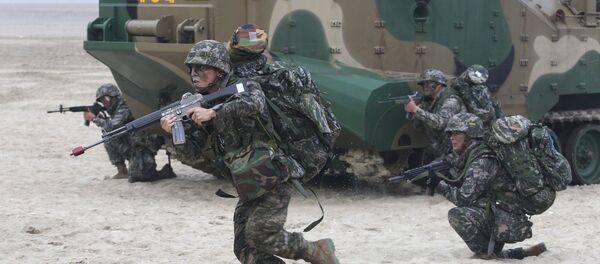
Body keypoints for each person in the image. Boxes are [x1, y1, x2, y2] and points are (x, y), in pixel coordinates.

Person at [159, 40, 339, 264]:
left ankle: (317, 251)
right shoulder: (199, 106)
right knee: (244, 246)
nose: (195, 73)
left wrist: (213, 113)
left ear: (220, 70)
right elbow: (194, 156)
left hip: (275, 172)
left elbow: (253, 104)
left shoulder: (244, 86)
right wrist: (176, 134)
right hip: (249, 180)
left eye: (202, 68)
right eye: (192, 68)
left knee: (261, 233)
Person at [227, 23, 339, 183]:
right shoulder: (289, 74)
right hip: (308, 155)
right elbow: (329, 126)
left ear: (234, 46)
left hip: (268, 163)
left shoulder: (234, 83)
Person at [435, 113, 547, 260]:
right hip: (500, 212)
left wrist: (438, 185)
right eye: (451, 133)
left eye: (457, 133)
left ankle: (489, 253)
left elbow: (464, 198)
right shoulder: (473, 154)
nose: (452, 137)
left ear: (470, 135)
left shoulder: (482, 159)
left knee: (457, 215)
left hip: (506, 218)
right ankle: (502, 252)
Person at [84, 83, 176, 182]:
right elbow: (112, 127)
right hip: (133, 140)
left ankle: (161, 173)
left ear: (113, 97)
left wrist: (94, 118)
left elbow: (114, 126)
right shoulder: (116, 107)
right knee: (108, 137)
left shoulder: (125, 104)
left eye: (105, 99)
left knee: (139, 177)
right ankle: (122, 171)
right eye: (102, 101)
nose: (104, 103)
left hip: (145, 142)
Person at [405, 68, 467, 159]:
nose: (425, 86)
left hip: (458, 151)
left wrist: (416, 110)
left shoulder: (451, 99)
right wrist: (412, 111)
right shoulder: (429, 101)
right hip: (442, 151)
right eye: (423, 84)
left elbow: (441, 123)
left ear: (439, 85)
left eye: (429, 83)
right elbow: (417, 126)